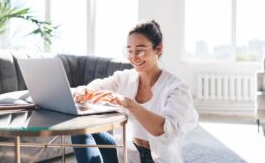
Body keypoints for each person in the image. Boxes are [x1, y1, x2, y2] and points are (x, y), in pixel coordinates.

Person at [71, 20, 199, 163]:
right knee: (79, 129)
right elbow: (96, 87)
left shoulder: (177, 87)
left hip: (155, 159)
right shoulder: (125, 77)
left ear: (158, 49)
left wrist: (129, 104)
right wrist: (83, 91)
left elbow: (164, 131)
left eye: (140, 50)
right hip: (126, 152)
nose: (133, 57)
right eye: (130, 51)